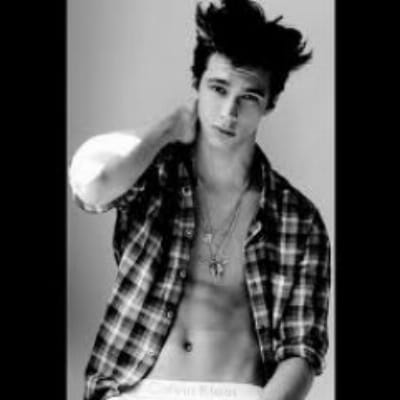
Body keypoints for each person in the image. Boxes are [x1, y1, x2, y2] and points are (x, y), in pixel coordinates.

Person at [69, 1, 331, 399]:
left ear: (269, 105)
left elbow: (302, 349)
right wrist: (169, 128)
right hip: (138, 388)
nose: (229, 112)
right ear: (198, 85)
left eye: (249, 97)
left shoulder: (298, 218)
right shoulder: (153, 176)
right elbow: (93, 188)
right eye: (219, 88)